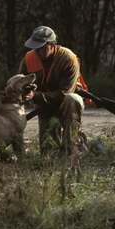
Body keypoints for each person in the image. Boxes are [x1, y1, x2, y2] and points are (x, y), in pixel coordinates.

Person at [15, 26, 87, 154]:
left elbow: (63, 94)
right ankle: (67, 145)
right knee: (48, 153)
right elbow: (19, 83)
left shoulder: (69, 59)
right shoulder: (28, 60)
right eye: (34, 46)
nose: (36, 51)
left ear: (52, 45)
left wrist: (35, 96)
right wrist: (14, 94)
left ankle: (73, 146)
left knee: (72, 99)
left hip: (66, 104)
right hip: (45, 107)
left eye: (40, 47)